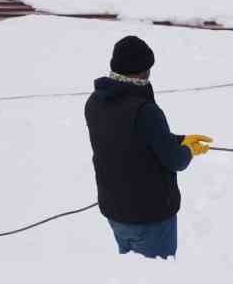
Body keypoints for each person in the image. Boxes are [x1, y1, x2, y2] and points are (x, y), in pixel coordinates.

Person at [84, 35, 212, 259]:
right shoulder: (144, 110)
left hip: (115, 212)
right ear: (142, 71)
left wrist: (180, 139)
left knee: (136, 281)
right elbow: (175, 161)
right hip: (150, 217)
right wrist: (189, 150)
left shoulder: (95, 102)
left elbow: (131, 140)